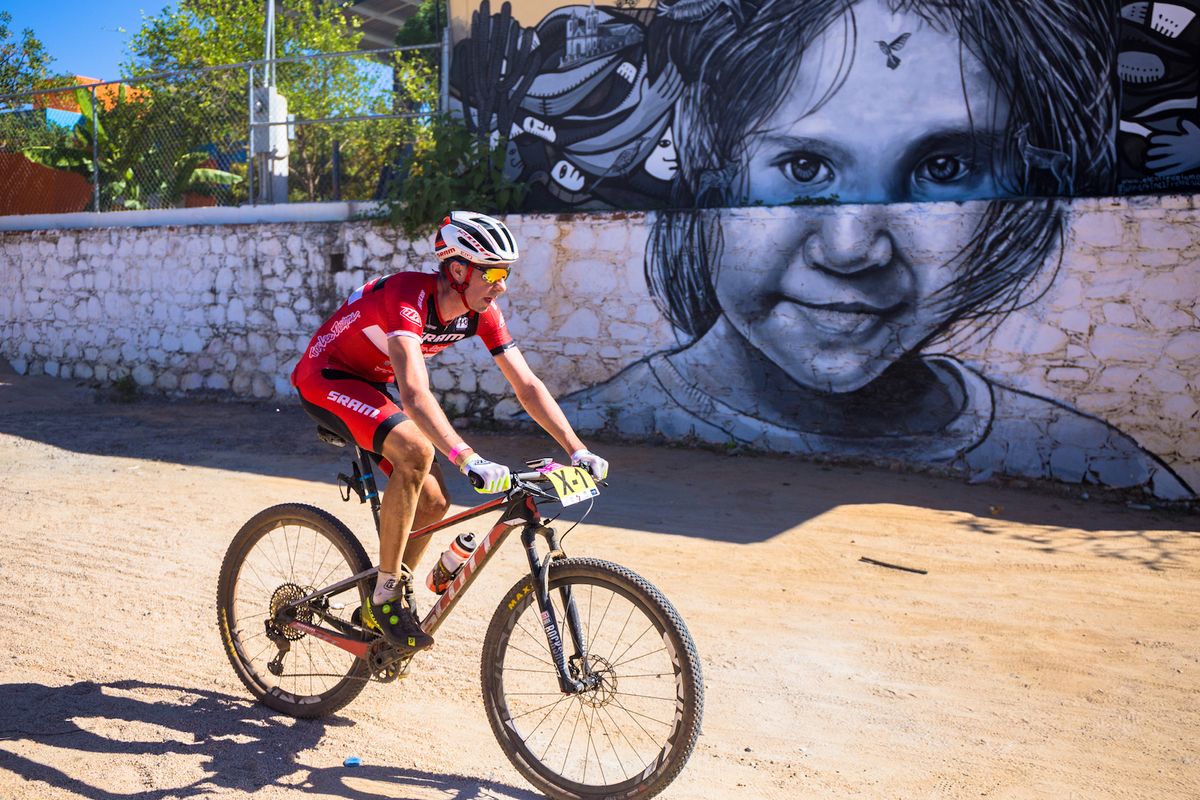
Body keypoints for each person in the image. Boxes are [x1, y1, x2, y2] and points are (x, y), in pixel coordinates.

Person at [558, 0, 1193, 498]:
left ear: (1031, 188)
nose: (850, 248)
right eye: (805, 167)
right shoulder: (581, 428)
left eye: (944, 167)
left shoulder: (1117, 464)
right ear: (708, 156)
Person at [291, 211, 609, 651]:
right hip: (326, 378)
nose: (503, 285)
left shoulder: (482, 313)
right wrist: (467, 458)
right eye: (494, 273)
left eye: (506, 273)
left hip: (370, 382)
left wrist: (578, 450)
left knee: (436, 500)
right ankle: (385, 594)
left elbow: (527, 386)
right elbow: (415, 394)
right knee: (417, 451)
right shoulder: (407, 296)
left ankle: (379, 600)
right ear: (458, 269)